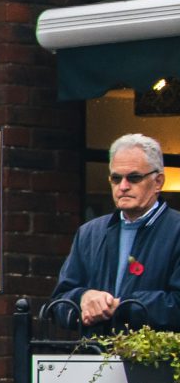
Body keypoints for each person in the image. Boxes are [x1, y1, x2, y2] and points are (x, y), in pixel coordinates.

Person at [49, 133, 180, 332]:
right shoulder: (89, 234)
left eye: (134, 178)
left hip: (158, 361)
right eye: (116, 178)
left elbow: (176, 303)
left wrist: (121, 306)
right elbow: (58, 304)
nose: (123, 187)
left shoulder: (176, 230)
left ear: (158, 182)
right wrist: (84, 299)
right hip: (97, 357)